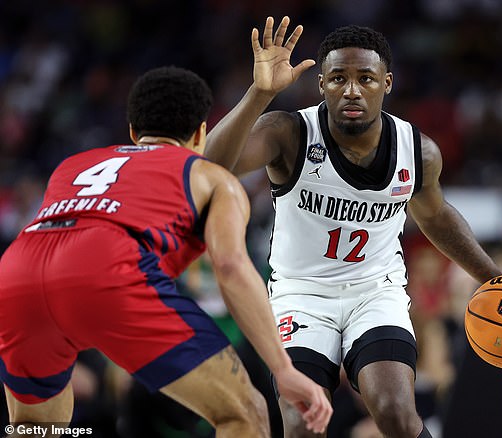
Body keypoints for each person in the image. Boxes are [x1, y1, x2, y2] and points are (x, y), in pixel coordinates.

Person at [204, 17, 502, 438]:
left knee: (396, 414)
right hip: (301, 294)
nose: (351, 90)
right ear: (321, 84)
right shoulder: (288, 133)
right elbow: (208, 168)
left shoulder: (419, 152)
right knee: (303, 424)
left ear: (387, 83)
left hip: (374, 292)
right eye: (338, 78)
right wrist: (260, 94)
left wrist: (494, 278)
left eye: (365, 78)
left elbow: (435, 215)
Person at [0, 66, 332, 437]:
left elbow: (63, 260)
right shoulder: (211, 177)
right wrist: (283, 369)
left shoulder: (72, 165)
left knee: (33, 428)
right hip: (107, 268)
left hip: (15, 274)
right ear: (200, 133)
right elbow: (231, 266)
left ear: (132, 132)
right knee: (243, 413)